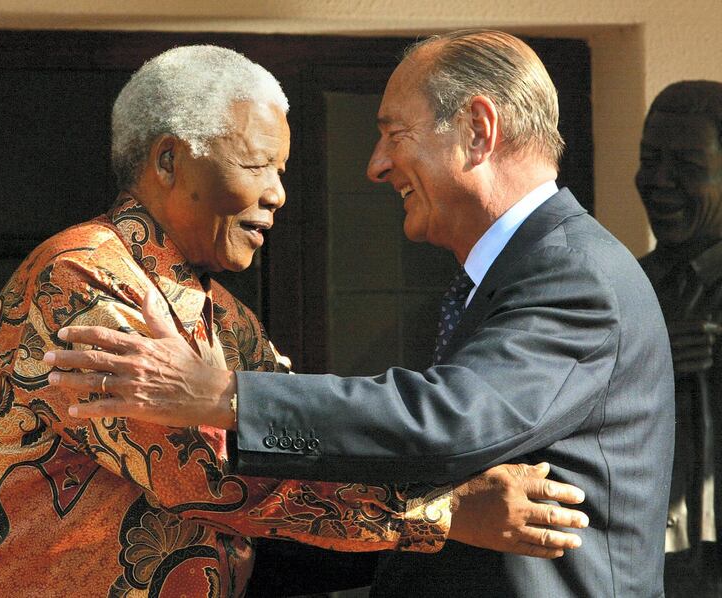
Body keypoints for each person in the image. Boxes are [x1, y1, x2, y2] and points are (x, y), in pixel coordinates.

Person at [51, 30, 675, 596]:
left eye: (394, 134)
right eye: (257, 164)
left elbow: (451, 422)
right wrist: (439, 517)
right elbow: (216, 484)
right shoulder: (82, 277)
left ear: (478, 132)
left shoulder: (575, 275)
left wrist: (228, 395)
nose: (376, 165)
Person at [635, 80, 722, 597]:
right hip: (651, 561)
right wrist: (642, 362)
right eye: (650, 158)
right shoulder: (622, 285)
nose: (659, 180)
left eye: (687, 165)